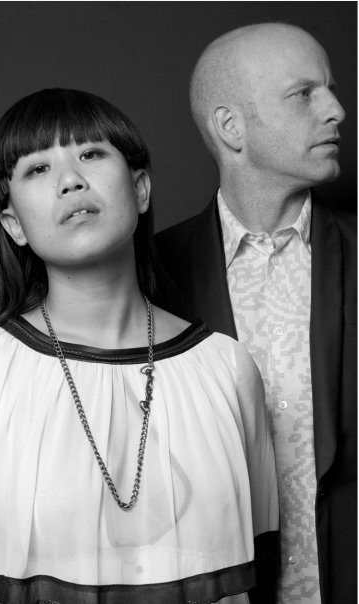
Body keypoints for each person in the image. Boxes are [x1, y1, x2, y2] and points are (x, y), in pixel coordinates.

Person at [0, 88, 278, 604]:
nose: (70, 180)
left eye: (91, 153)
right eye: (37, 168)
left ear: (141, 189)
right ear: (13, 225)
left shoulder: (227, 367)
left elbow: (252, 580)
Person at [156, 22, 357, 604]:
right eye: (304, 93)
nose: (337, 110)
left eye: (330, 89)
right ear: (231, 127)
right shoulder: (152, 276)